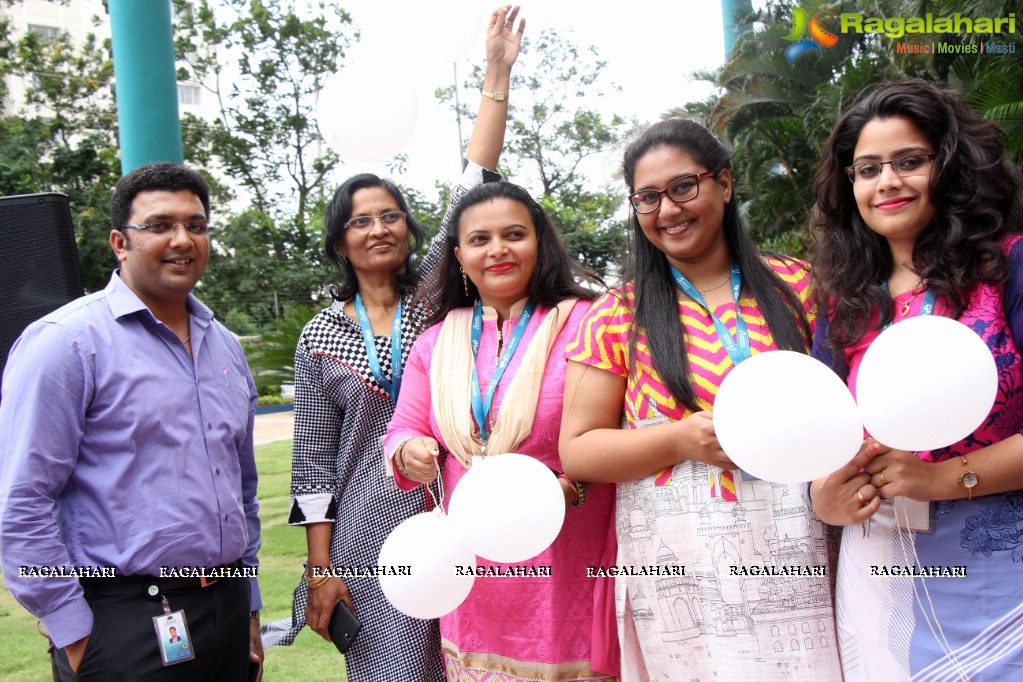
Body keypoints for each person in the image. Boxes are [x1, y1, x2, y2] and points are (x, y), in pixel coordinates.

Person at [260, 6, 525, 680]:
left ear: (408, 229)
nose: (377, 228)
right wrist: (321, 572)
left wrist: (495, 72)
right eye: (359, 220)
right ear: (339, 238)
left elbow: (474, 176)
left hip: (462, 516)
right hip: (368, 541)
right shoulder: (320, 335)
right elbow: (314, 470)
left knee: (478, 664)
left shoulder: (434, 299)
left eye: (389, 216)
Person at [559, 118, 844, 681]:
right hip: (681, 565)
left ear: (725, 184)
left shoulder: (802, 288)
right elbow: (579, 451)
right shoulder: (618, 312)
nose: (667, 210)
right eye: (647, 197)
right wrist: (680, 439)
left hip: (803, 547)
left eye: (684, 187)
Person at [0, 162, 263, 681]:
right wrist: (75, 634)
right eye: (160, 225)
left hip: (226, 609)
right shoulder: (66, 343)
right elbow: (22, 501)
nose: (182, 239)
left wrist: (248, 605)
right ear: (121, 242)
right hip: (121, 620)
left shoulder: (225, 346)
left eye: (196, 225)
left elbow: (243, 488)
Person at [808, 79, 1023, 680]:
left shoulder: (1009, 267)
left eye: (910, 161)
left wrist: (940, 479)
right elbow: (822, 436)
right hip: (883, 571)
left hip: (1003, 574)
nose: (887, 182)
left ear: (950, 163)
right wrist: (823, 495)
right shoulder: (843, 303)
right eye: (867, 169)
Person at [383, 180, 616, 681]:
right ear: (459, 255)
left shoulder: (591, 323)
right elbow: (403, 427)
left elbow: (618, 431)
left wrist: (571, 489)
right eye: (480, 239)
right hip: (473, 573)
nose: (498, 250)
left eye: (514, 234)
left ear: (540, 243)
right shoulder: (435, 341)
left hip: (568, 555)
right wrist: (410, 451)